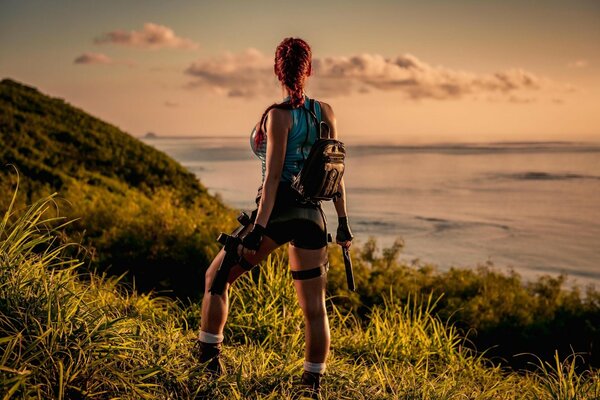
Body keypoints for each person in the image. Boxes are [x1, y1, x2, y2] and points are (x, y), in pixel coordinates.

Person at [195, 37, 353, 396]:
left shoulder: (277, 116)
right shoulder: (326, 112)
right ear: (309, 69)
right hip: (314, 217)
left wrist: (258, 229)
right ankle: (311, 386)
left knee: (216, 277)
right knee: (315, 308)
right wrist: (342, 222)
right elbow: (335, 169)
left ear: (277, 70)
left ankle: (208, 364)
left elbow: (272, 177)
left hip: (278, 212)